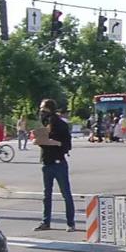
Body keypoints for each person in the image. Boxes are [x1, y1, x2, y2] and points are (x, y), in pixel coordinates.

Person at [33, 99, 76, 232]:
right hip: (46, 162)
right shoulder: (45, 124)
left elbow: (67, 145)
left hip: (58, 162)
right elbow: (42, 141)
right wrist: (39, 140)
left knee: (66, 193)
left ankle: (70, 223)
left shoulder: (61, 125)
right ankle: (46, 222)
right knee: (47, 195)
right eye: (41, 110)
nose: (41, 112)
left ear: (50, 110)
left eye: (44, 110)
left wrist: (54, 142)